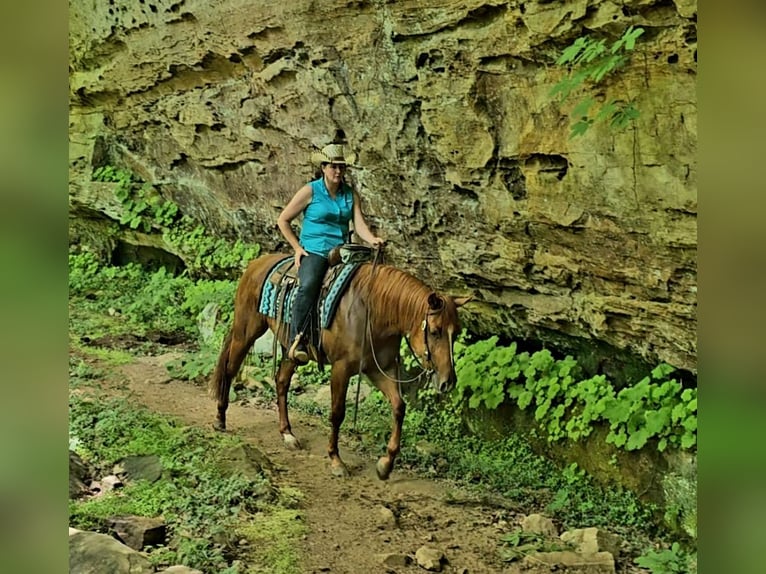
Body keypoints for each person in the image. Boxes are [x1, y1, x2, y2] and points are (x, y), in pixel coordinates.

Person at [277, 143, 384, 363]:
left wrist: (372, 239)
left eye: (342, 167)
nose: (338, 171)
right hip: (315, 251)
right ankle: (298, 338)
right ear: (324, 167)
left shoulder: (350, 194)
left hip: (342, 253)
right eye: (333, 166)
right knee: (308, 285)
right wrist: (298, 248)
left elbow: (359, 224)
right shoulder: (311, 190)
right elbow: (283, 220)